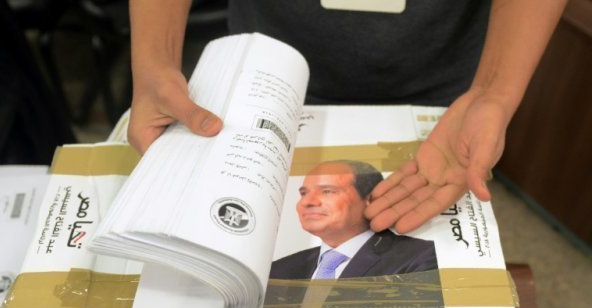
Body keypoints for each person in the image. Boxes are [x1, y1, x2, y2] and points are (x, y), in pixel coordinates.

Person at [127, 0, 568, 234]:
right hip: (266, 69)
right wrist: (154, 62)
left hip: (443, 83)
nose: (310, 201)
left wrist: (492, 91)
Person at [269, 160, 438, 280]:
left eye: (327, 191)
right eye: (304, 193)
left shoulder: (419, 258)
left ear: (370, 199)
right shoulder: (279, 270)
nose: (307, 202)